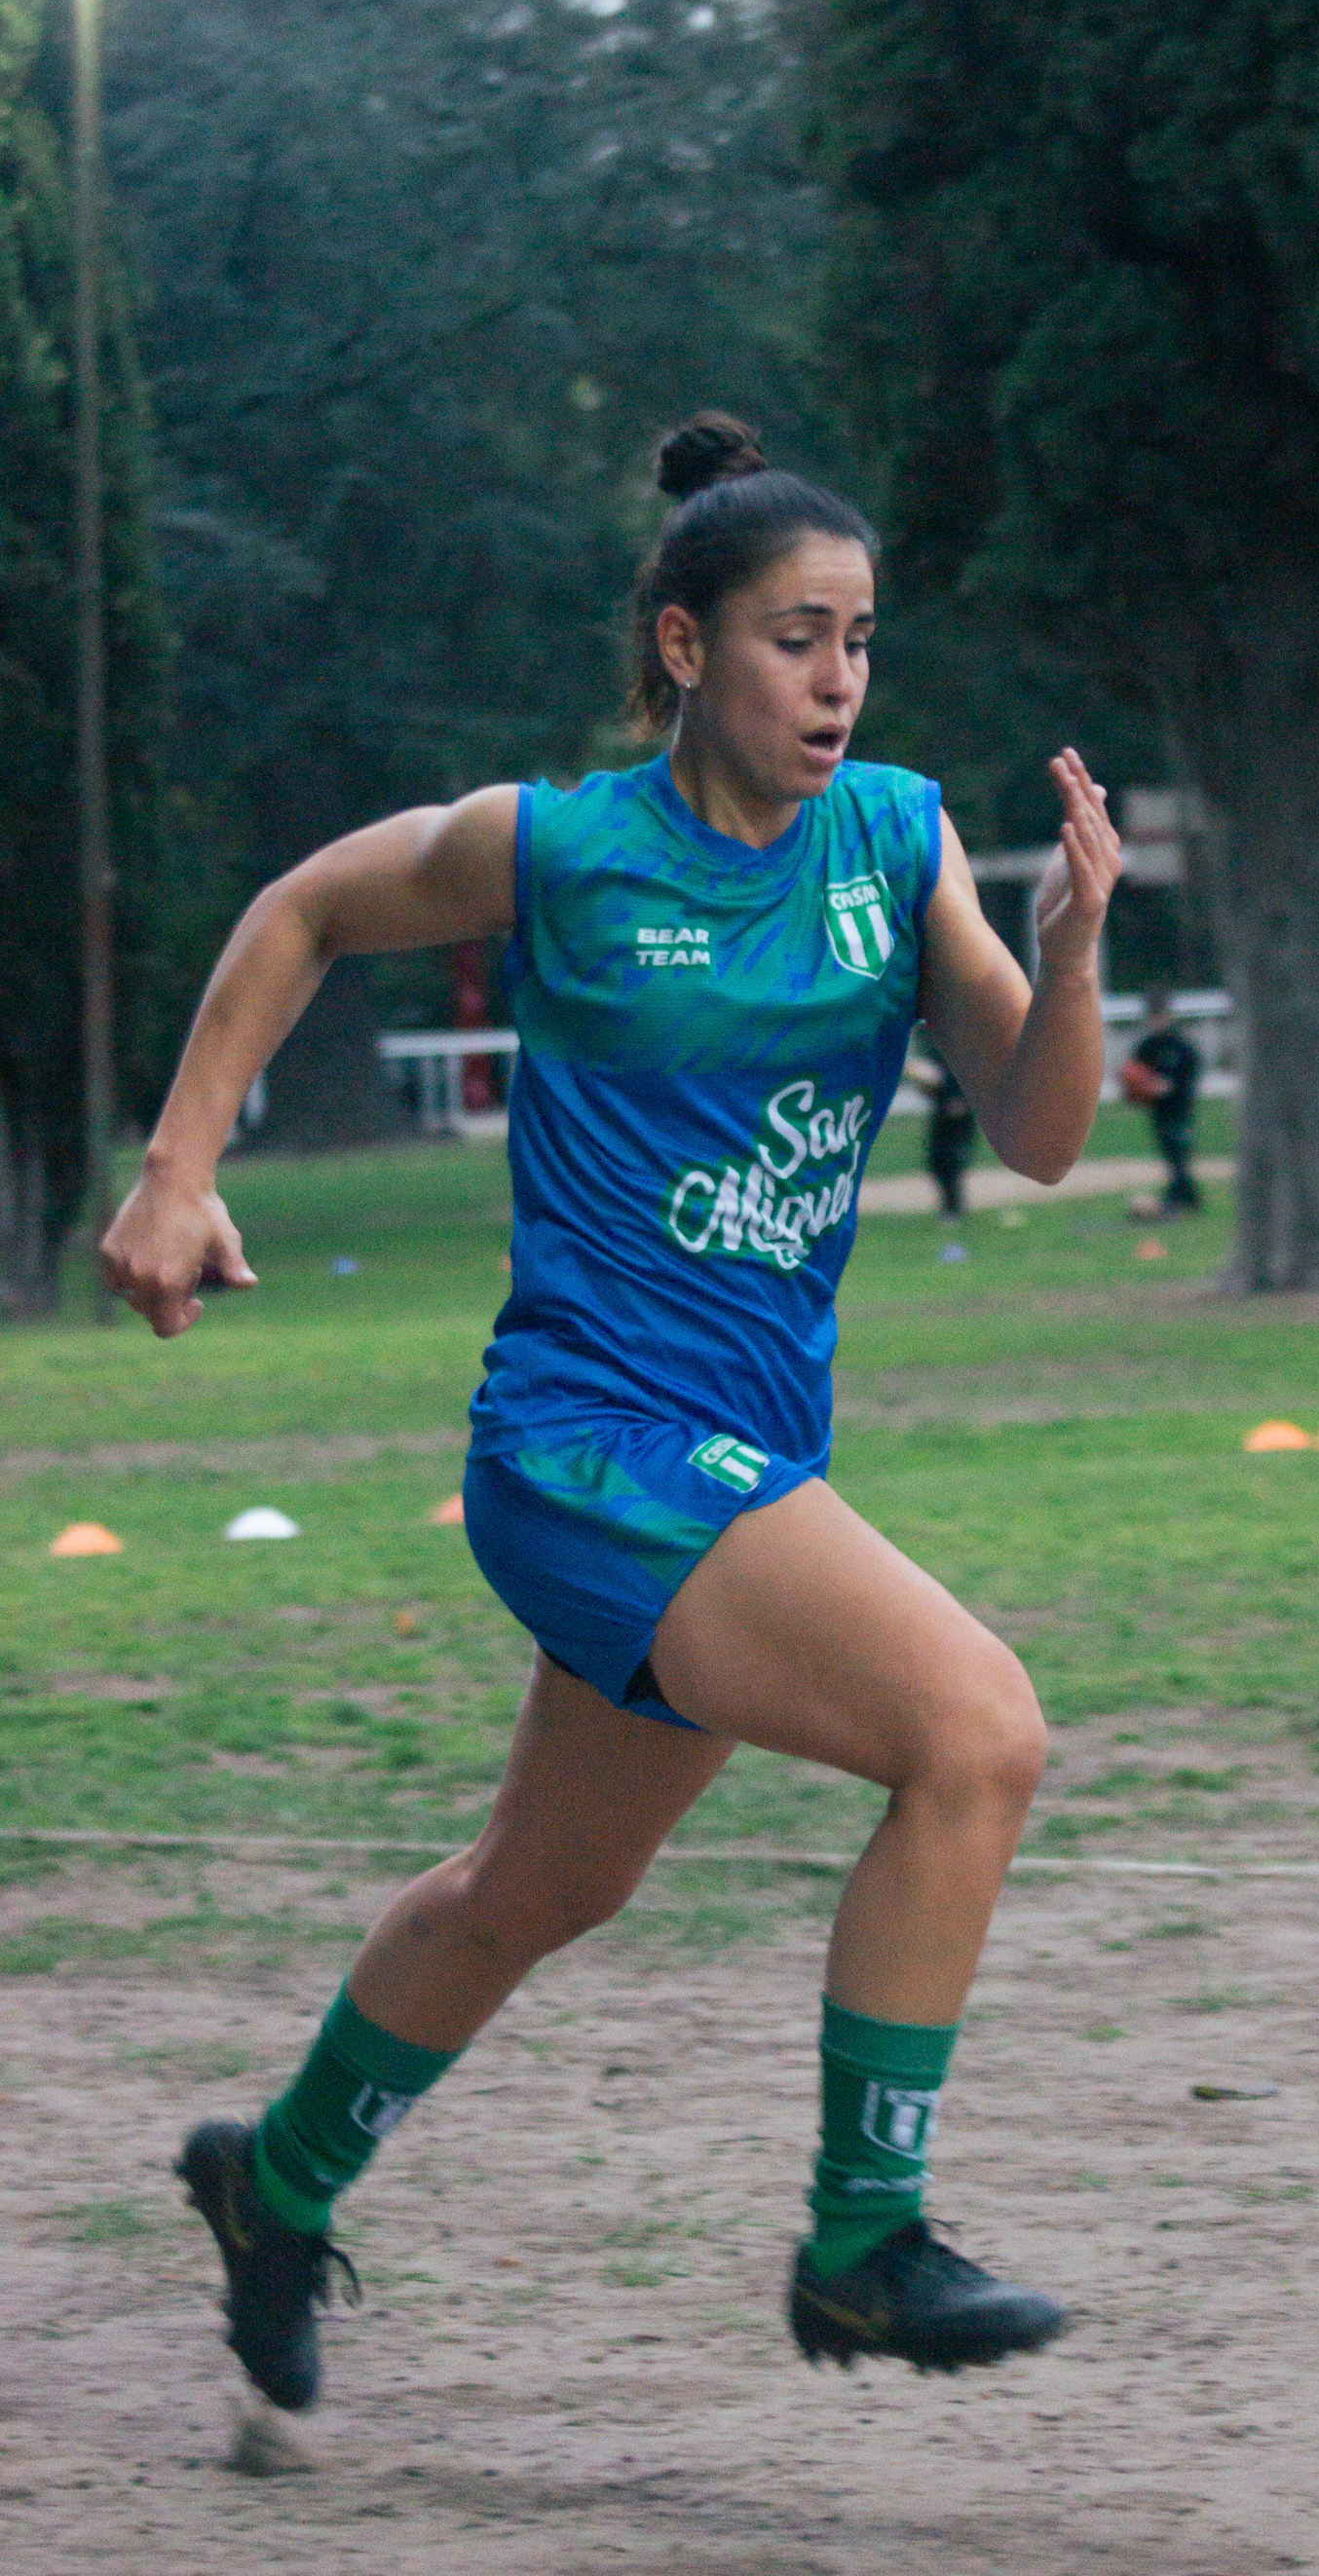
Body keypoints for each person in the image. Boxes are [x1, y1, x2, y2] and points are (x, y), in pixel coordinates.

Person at [101, 412, 1123, 2411]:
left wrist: (1075, 954)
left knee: (538, 1892)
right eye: (792, 639)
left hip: (743, 1460)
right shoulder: (560, 848)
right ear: (682, 646)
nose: (836, 682)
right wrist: (177, 1165)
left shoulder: (899, 844)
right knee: (978, 1733)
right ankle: (859, 2247)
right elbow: (303, 908)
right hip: (586, 1448)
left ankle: (277, 2182)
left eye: (859, 641)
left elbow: (1046, 1131)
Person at [1126, 985, 1202, 1212]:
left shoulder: (1181, 1045)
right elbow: (1135, 1072)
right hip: (1158, 1109)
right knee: (1168, 1149)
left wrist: (1171, 1087)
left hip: (1179, 1107)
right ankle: (1181, 1194)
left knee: (1178, 1149)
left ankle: (1184, 1196)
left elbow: (1190, 1072)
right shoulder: (1148, 1045)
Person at [906, 1032, 978, 1219]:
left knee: (950, 1158)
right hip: (944, 1106)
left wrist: (960, 1098)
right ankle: (950, 1207)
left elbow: (966, 1071)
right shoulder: (935, 1044)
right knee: (938, 1159)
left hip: (957, 1107)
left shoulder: (957, 1042)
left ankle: (953, 1209)